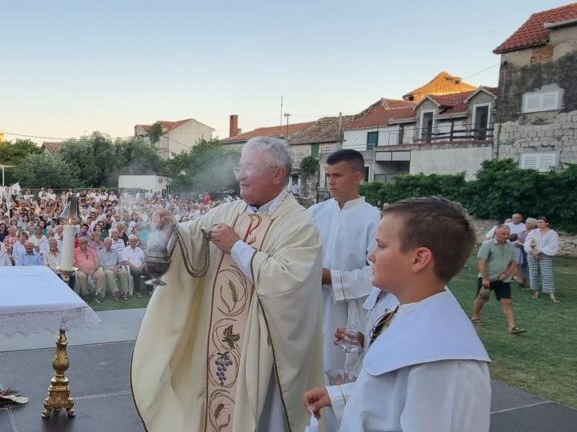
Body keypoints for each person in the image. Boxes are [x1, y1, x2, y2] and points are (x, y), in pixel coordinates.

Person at [132, 137, 323, 432]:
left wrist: (237, 247)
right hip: (213, 340)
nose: (240, 175)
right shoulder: (229, 211)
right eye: (239, 167)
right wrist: (170, 227)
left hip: (259, 350)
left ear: (277, 175)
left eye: (249, 167)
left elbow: (288, 282)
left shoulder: (299, 225)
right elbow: (191, 239)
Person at [304, 197, 491, 432]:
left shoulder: (443, 359)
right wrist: (339, 395)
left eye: (381, 246)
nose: (371, 256)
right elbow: (388, 397)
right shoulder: (404, 309)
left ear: (419, 259)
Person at [308, 149, 380, 375]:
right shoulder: (314, 213)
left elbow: (377, 275)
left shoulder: (373, 218)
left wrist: (334, 279)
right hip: (310, 304)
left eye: (337, 175)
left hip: (349, 311)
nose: (330, 182)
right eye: (328, 175)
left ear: (358, 177)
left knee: (337, 371)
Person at [471, 225, 525, 333]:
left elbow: (514, 262)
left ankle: (512, 327)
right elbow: (482, 262)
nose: (506, 236)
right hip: (488, 278)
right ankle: (475, 317)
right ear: (496, 234)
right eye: (503, 234)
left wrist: (506, 274)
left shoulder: (510, 246)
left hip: (504, 280)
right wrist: (485, 278)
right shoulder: (488, 245)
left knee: (507, 302)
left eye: (507, 234)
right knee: (482, 298)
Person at [525, 217, 560, 303]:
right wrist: (533, 251)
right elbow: (528, 242)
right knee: (533, 273)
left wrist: (539, 252)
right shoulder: (533, 232)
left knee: (547, 274)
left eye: (541, 222)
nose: (539, 224)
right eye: (538, 222)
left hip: (546, 255)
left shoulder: (552, 233)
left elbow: (552, 245)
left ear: (546, 223)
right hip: (532, 254)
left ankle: (551, 294)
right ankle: (536, 292)